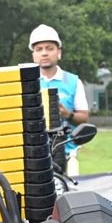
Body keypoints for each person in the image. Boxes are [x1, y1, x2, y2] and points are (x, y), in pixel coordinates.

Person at [29, 23, 89, 174]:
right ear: (33, 55)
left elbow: (84, 117)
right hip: (34, 154)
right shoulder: (27, 82)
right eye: (39, 49)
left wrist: (67, 114)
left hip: (68, 153)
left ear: (59, 52)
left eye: (49, 48)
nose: (44, 53)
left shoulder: (73, 81)